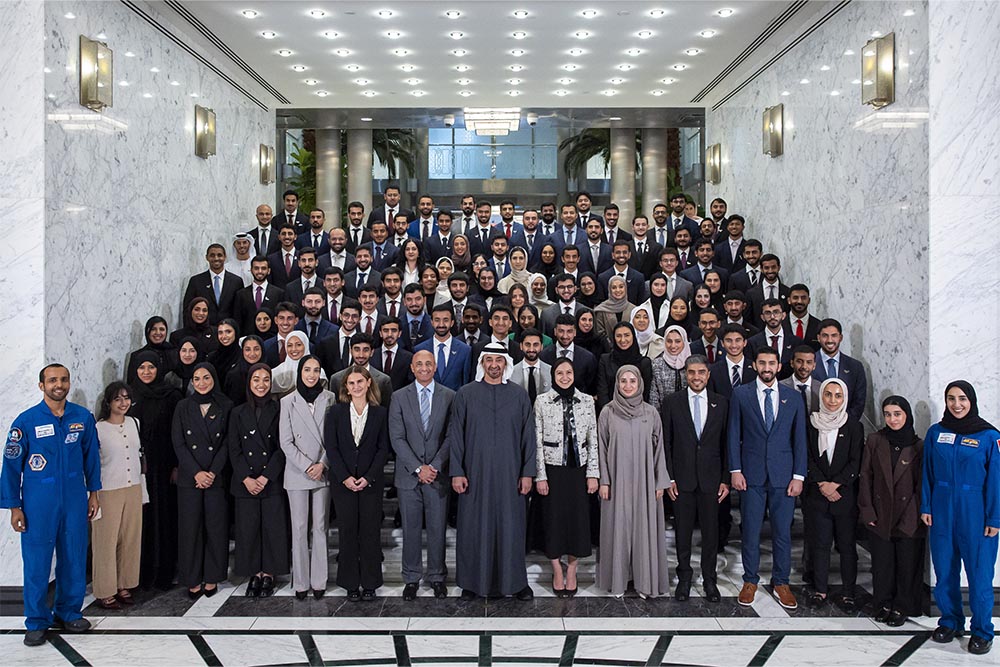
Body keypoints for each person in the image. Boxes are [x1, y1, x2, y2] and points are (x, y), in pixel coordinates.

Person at [2, 364, 100, 646]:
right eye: (53, 380)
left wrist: (94, 493)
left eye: (64, 379)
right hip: (37, 503)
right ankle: (36, 620)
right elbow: (11, 466)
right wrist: (14, 506)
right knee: (36, 562)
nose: (59, 384)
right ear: (41, 385)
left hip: (73, 498)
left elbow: (91, 458)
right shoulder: (26, 421)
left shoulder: (81, 417)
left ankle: (69, 612)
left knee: (74, 557)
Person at [448, 343, 537, 600]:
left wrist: (527, 473)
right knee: (472, 528)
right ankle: (471, 583)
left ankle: (516, 583)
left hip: (511, 476)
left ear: (506, 364)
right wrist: (457, 471)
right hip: (474, 475)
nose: (494, 365)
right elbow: (456, 436)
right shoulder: (465, 394)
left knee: (512, 529)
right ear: (482, 364)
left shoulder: (519, 395)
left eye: (499, 360)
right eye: (489, 360)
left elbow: (528, 438)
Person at [921, 381, 1000, 655]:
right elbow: (927, 474)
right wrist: (926, 506)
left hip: (976, 513)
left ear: (972, 401)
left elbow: (996, 481)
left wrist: (995, 518)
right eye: (951, 398)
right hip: (942, 511)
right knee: (944, 572)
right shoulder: (936, 433)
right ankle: (951, 621)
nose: (956, 404)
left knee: (979, 576)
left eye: (962, 399)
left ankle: (982, 631)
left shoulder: (989, 436)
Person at [728, 348, 807, 610]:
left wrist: (799, 475)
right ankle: (750, 580)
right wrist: (735, 470)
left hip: (784, 476)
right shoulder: (741, 394)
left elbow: (800, 439)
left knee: (782, 533)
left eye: (771, 362)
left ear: (779, 365)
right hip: (751, 475)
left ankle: (781, 582)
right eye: (762, 362)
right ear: (754, 365)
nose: (766, 366)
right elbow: (733, 433)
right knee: (750, 531)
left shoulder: (793, 398)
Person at [597, 365, 670, 598]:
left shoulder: (651, 413)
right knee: (617, 529)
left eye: (632, 381)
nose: (628, 385)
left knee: (643, 530)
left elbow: (660, 450)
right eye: (623, 381)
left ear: (640, 384)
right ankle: (617, 581)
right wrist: (604, 481)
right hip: (616, 481)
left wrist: (661, 481)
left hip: (646, 481)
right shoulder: (607, 412)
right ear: (617, 383)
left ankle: (644, 582)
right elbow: (601, 448)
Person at [661, 355, 729, 602]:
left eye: (701, 372)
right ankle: (685, 579)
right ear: (685, 374)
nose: (696, 377)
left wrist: (725, 479)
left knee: (711, 534)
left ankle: (710, 580)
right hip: (682, 480)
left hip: (712, 481)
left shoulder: (722, 403)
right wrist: (668, 478)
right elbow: (666, 444)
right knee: (683, 533)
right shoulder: (671, 402)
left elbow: (726, 443)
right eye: (692, 372)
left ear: (708, 375)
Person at [388, 350, 455, 600]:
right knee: (411, 529)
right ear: (413, 368)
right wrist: (418, 467)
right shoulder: (398, 397)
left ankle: (437, 576)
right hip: (408, 476)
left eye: (429, 363)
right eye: (419, 364)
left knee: (438, 529)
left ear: (435, 367)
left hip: (437, 476)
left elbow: (451, 436)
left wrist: (434, 466)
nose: (424, 368)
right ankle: (412, 577)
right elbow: (397, 437)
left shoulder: (450, 396)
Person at [534, 358, 599, 596]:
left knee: (577, 522)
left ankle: (571, 568)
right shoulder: (541, 401)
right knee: (553, 522)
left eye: (568, 372)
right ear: (553, 376)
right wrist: (540, 476)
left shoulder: (586, 401)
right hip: (552, 471)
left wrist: (593, 474)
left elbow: (593, 441)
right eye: (559, 372)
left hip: (578, 470)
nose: (564, 377)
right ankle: (556, 569)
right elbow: (537, 441)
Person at [859, 396, 926, 627]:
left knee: (907, 564)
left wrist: (912, 518)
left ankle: (902, 606)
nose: (892, 419)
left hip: (909, 516)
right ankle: (883, 603)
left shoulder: (919, 446)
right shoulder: (876, 440)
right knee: (883, 564)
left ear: (906, 415)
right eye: (887, 414)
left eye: (897, 414)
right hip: (880, 514)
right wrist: (867, 511)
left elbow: (921, 486)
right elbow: (865, 476)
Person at [325, 366, 390, 600]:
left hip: (370, 482)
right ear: (346, 388)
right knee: (348, 532)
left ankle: (370, 583)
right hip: (343, 484)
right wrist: (345, 477)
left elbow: (384, 448)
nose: (356, 387)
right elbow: (331, 448)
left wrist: (368, 477)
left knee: (371, 532)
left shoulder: (380, 413)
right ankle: (350, 583)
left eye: (360, 382)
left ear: (369, 383)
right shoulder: (335, 412)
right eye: (351, 383)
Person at [172, 362, 232, 600]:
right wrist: (197, 472)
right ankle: (192, 577)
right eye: (197, 379)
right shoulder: (183, 407)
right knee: (190, 529)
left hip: (215, 477)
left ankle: (212, 576)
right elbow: (179, 443)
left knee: (215, 528)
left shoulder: (225, 405)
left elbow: (228, 441)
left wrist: (212, 472)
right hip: (191, 478)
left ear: (214, 379)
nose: (202, 382)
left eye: (206, 377)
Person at [803, 378, 863, 610]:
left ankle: (848, 592)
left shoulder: (853, 425)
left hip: (844, 496)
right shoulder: (812, 422)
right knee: (820, 544)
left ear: (844, 398)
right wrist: (821, 483)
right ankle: (820, 590)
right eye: (828, 394)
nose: (832, 400)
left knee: (847, 545)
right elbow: (806, 455)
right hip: (817, 495)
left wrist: (836, 484)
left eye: (838, 395)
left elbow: (856, 461)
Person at [228, 364, 288, 597]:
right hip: (245, 482)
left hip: (271, 479)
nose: (261, 384)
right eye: (256, 380)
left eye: (265, 380)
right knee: (248, 528)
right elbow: (234, 449)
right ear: (249, 383)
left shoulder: (280, 409)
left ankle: (270, 573)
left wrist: (265, 476)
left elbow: (282, 447)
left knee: (273, 528)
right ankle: (254, 572)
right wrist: (246, 477)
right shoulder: (238, 412)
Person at [279, 356, 333, 600]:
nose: (312, 375)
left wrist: (322, 463)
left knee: (320, 527)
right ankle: (300, 582)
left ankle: (319, 580)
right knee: (299, 528)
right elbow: (286, 442)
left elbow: (333, 437)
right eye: (307, 370)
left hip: (323, 470)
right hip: (297, 472)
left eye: (316, 370)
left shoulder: (329, 398)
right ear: (299, 372)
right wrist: (308, 465)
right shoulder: (287, 401)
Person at [128, 351, 182, 590]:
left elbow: (177, 434)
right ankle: (139, 573)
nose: (147, 372)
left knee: (164, 518)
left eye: (151, 367)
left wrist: (176, 464)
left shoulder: (171, 395)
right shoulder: (128, 396)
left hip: (164, 467)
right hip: (136, 469)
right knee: (141, 520)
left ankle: (164, 571)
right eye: (142, 367)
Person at [92, 382, 144, 609]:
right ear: (108, 403)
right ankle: (105, 590)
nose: (123, 403)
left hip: (133, 487)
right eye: (117, 399)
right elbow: (92, 464)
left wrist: (144, 490)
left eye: (126, 398)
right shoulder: (98, 428)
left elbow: (140, 457)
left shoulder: (135, 423)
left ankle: (125, 584)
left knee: (130, 539)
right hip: (107, 490)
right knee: (106, 541)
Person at [812, 319, 868, 422]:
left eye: (834, 335)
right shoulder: (808, 363)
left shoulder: (855, 367)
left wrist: (843, 423)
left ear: (840, 337)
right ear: (818, 338)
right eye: (825, 336)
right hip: (815, 425)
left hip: (846, 427)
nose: (829, 340)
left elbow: (859, 402)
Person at [596, 322, 652, 412]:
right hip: (611, 413)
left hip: (637, 413)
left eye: (626, 335)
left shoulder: (644, 363)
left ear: (633, 336)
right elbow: (602, 391)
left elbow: (646, 394)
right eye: (618, 336)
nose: (622, 340)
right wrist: (609, 413)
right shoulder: (605, 360)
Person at [648, 325, 691, 413]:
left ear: (684, 342)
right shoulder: (657, 364)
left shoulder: (691, 364)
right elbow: (654, 397)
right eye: (669, 341)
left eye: (678, 341)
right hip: (664, 415)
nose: (673, 345)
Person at [125, 316, 177, 381]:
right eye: (153, 329)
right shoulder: (137, 356)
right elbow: (131, 384)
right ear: (147, 331)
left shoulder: (174, 353)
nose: (158, 333)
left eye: (161, 329)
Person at [224, 335, 264, 405]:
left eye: (256, 349)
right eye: (248, 349)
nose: (252, 353)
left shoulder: (266, 370)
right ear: (242, 351)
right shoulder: (234, 375)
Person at [593, 275, 636, 339]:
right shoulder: (601, 310)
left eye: (621, 287)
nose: (618, 290)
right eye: (614, 287)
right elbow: (600, 333)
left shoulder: (634, 309)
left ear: (626, 288)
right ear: (609, 289)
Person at [270, 330, 310, 395]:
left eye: (298, 345)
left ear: (305, 345)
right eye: (289, 345)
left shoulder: (317, 372)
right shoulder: (276, 372)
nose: (293, 349)